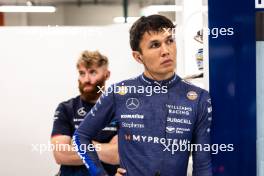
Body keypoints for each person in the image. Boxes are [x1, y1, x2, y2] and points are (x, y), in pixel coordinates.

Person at [74, 15, 213, 176]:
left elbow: (203, 165)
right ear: (138, 56)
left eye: (169, 41)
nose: (166, 51)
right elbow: (80, 137)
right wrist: (100, 174)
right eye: (155, 45)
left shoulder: (199, 98)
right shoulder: (119, 93)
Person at [51, 50, 119, 176]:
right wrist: (103, 147)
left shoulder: (119, 109)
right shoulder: (66, 108)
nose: (86, 79)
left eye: (93, 72)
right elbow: (60, 154)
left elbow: (117, 155)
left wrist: (79, 143)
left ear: (106, 75)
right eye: (82, 73)